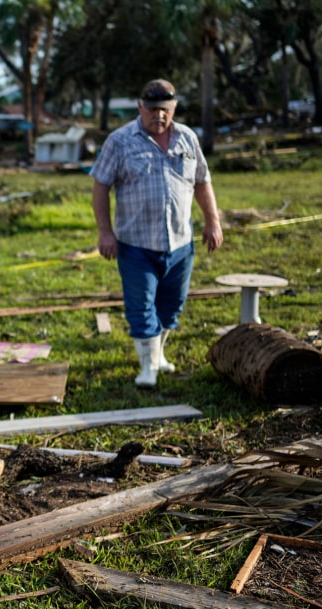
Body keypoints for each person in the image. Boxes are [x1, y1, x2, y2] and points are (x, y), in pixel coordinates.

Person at [91, 79, 223, 388]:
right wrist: (104, 231)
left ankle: (158, 356)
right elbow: (100, 185)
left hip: (180, 242)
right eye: (151, 110)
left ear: (174, 108)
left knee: (171, 306)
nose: (158, 116)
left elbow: (202, 182)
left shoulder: (187, 139)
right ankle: (147, 368)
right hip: (136, 243)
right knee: (141, 306)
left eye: (164, 110)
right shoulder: (120, 141)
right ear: (140, 107)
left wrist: (212, 221)